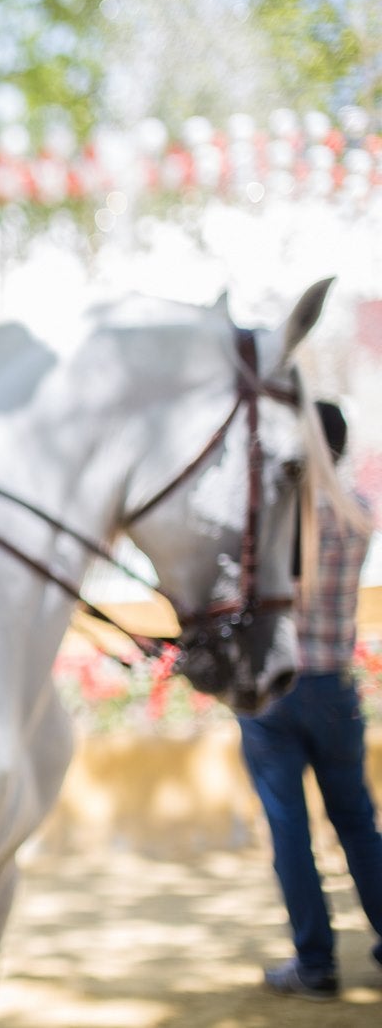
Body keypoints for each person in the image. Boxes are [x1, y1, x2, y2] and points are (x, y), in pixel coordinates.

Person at [240, 399, 382, 1000]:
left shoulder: (267, 516)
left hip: (276, 691)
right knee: (358, 825)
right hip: (334, 688)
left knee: (289, 829)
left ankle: (315, 964)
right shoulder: (359, 511)